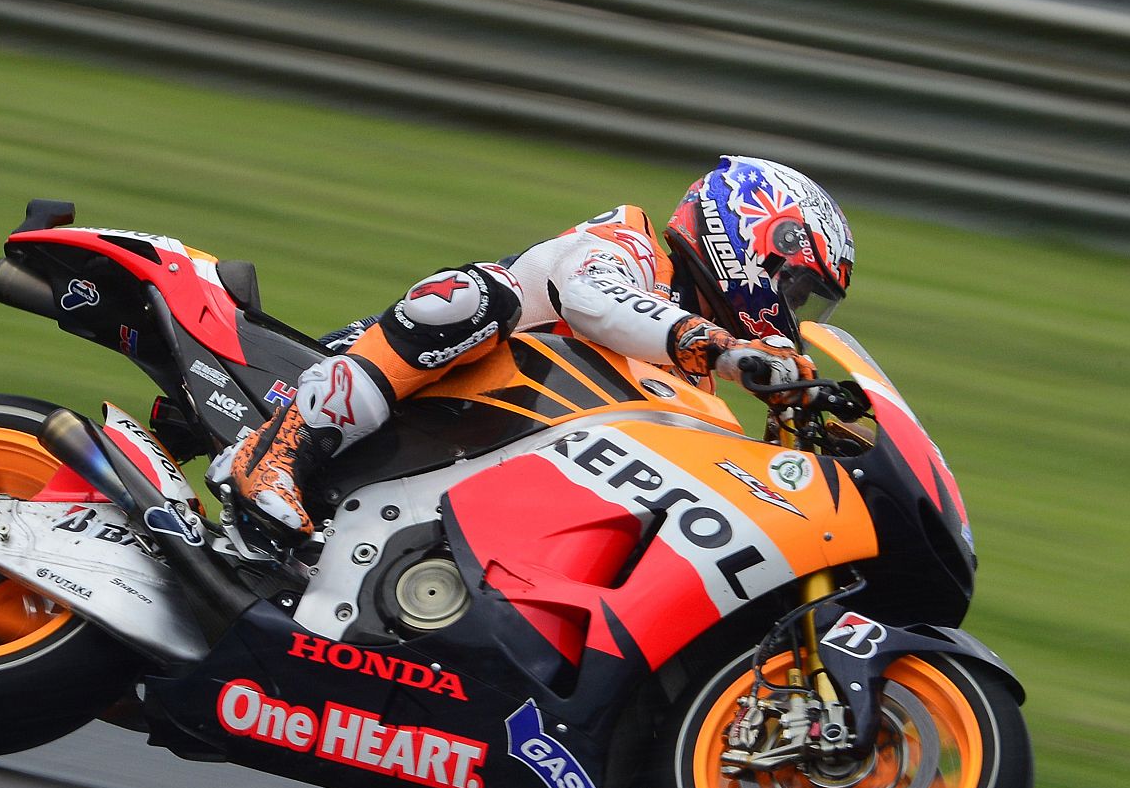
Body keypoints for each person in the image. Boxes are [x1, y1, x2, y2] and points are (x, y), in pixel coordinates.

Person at [209, 155, 855, 536]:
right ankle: (276, 453)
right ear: (753, 239)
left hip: (488, 470)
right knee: (472, 297)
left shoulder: (697, 378)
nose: (790, 310)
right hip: (405, 384)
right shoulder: (625, 245)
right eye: (796, 287)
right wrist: (719, 349)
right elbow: (593, 302)